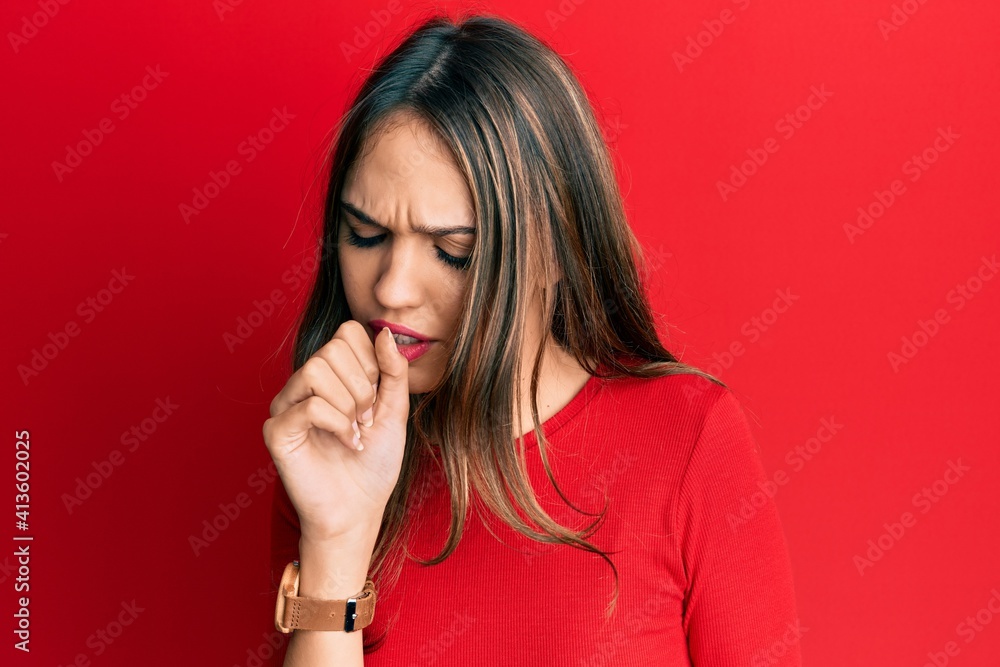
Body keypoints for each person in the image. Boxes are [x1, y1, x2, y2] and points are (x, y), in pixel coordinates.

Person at [263, 11, 802, 666]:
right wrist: (336, 542)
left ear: (555, 251)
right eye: (366, 235)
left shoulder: (691, 438)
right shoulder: (329, 446)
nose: (392, 288)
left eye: (454, 251)